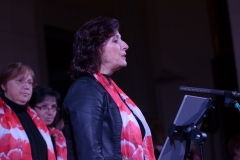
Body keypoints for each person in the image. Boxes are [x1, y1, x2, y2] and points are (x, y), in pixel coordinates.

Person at [62, 16, 156, 160]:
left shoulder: (113, 92)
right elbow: (90, 155)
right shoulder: (85, 89)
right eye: (115, 40)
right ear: (95, 48)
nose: (125, 45)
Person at [0, 62, 56, 160]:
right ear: (4, 85)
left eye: (30, 82)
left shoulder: (34, 116)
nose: (27, 87)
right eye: (20, 81)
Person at [29, 85, 67, 160]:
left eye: (53, 107)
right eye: (44, 107)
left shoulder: (56, 135)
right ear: (32, 109)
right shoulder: (29, 134)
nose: (50, 112)